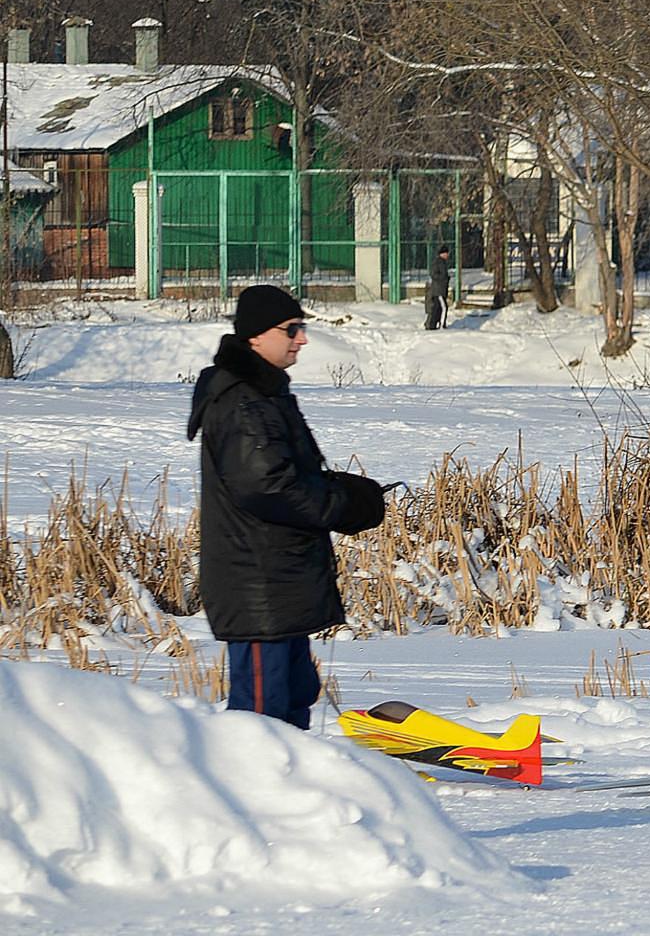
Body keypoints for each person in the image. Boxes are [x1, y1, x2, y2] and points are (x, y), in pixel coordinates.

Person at [186, 284, 386, 729]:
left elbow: (287, 473)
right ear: (257, 335)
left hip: (280, 579)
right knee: (262, 714)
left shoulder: (264, 393)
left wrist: (348, 492)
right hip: (258, 584)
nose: (302, 338)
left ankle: (290, 792)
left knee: (295, 696)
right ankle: (255, 794)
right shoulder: (241, 400)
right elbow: (266, 486)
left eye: (302, 327)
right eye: (292, 328)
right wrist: (342, 506)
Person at [426, 244, 451, 330]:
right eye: (447, 253)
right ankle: (441, 325)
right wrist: (443, 278)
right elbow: (434, 274)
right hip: (438, 290)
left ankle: (432, 325)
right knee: (444, 307)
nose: (448, 255)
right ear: (443, 253)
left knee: (437, 308)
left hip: (441, 289)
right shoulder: (438, 262)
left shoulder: (442, 262)